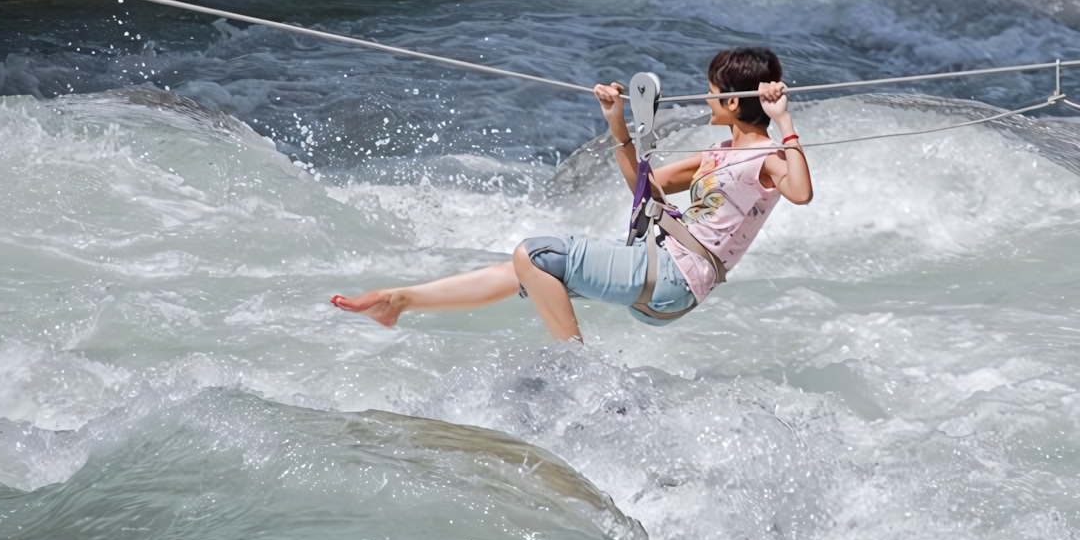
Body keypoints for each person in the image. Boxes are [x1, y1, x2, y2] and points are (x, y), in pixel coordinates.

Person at [331, 47, 813, 342]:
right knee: (522, 269)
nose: (706, 98)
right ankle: (398, 302)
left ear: (731, 102)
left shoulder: (766, 156)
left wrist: (786, 123)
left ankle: (575, 372)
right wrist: (615, 122)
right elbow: (644, 185)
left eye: (712, 92)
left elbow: (801, 192)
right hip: (659, 277)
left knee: (536, 253)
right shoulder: (718, 153)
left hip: (672, 278)